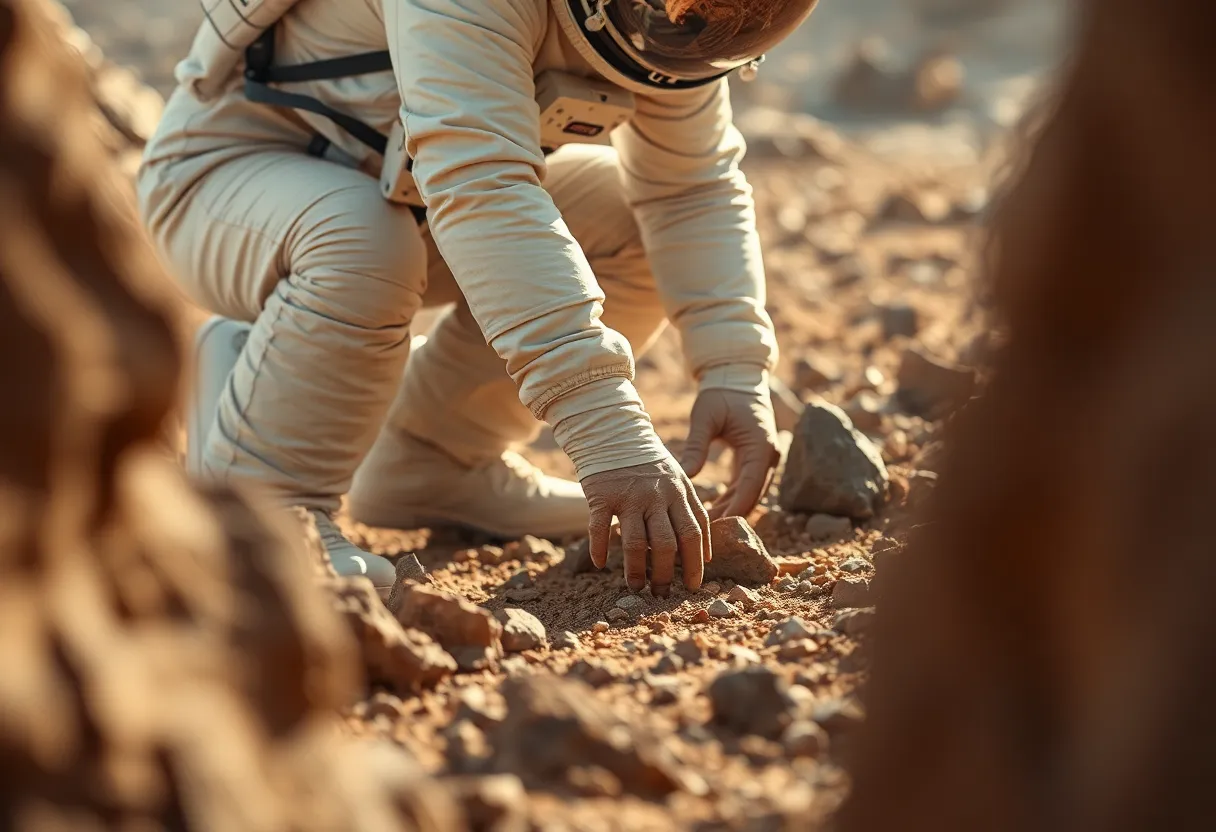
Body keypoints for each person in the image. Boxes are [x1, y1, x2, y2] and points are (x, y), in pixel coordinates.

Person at [136, 0, 820, 599]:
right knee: (360, 238)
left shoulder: (682, 30)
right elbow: (481, 182)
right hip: (222, 184)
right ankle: (261, 505)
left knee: (628, 224)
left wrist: (732, 365)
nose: (685, 19)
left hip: (407, 206)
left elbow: (690, 190)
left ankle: (434, 460)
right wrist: (606, 429)